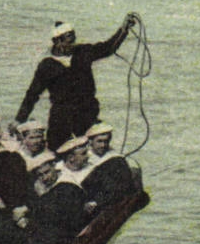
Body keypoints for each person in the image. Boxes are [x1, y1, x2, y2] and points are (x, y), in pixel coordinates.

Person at [14, 14, 140, 150]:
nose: (72, 45)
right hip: (62, 115)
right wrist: (19, 119)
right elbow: (33, 94)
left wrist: (124, 29)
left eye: (73, 40)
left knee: (91, 147)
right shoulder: (47, 65)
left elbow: (108, 48)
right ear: (57, 41)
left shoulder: (83, 52)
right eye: (68, 41)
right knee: (56, 148)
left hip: (87, 111)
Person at [80, 122, 139, 212]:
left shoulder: (116, 159)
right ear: (90, 141)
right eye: (99, 141)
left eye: (106, 141)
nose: (103, 145)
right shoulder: (82, 157)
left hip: (104, 202)